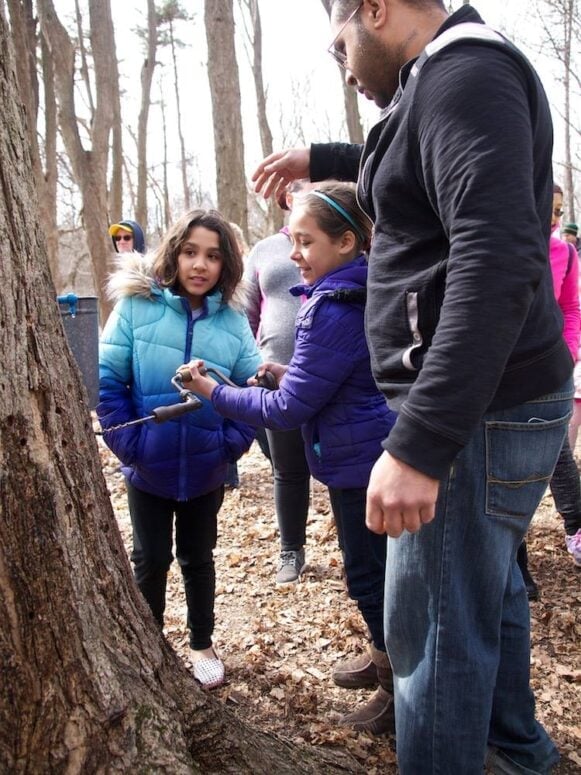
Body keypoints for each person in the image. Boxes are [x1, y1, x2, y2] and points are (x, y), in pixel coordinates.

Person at [251, 2, 573, 773]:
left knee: (428, 634)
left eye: (340, 45)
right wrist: (321, 154)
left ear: (376, 9)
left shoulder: (467, 76)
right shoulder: (439, 81)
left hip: (473, 414)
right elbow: (414, 167)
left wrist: (421, 442)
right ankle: (518, 755)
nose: (344, 66)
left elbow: (493, 258)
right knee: (480, 600)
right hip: (487, 407)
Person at [180, 182, 397, 735]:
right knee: (370, 569)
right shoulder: (350, 288)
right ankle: (382, 659)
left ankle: (395, 687)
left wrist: (212, 392)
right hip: (362, 451)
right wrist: (284, 373)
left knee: (369, 578)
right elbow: (324, 381)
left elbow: (284, 411)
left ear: (347, 241)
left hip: (359, 463)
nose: (292, 252)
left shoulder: (336, 305)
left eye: (305, 241)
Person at [97, 210, 261, 689]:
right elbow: (109, 382)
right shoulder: (135, 308)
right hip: (147, 466)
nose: (199, 265)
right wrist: (131, 444)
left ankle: (202, 643)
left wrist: (229, 446)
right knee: (150, 557)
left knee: (198, 557)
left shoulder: (233, 323)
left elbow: (251, 392)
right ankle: (147, 643)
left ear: (225, 265)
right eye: (190, 252)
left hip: (207, 468)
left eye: (212, 255)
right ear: (173, 253)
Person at [243, 179, 315, 585]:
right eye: (295, 189)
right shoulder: (265, 249)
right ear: (285, 199)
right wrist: (253, 361)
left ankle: (355, 544)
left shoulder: (340, 241)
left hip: (326, 371)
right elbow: (248, 312)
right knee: (287, 469)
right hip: (274, 374)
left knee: (345, 464)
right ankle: (292, 548)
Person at [518, 186, 581, 592]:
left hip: (550, 372)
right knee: (509, 469)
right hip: (505, 375)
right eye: (549, 209)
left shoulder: (566, 253)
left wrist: (568, 353)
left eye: (560, 211)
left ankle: (576, 527)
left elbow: (571, 308)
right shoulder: (506, 244)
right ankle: (514, 557)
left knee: (559, 456)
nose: (555, 219)